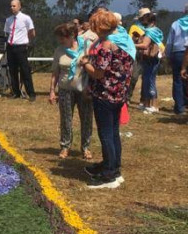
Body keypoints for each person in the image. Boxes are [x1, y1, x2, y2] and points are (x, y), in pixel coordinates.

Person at [80, 10, 133, 189]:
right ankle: (113, 166)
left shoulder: (104, 47)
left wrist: (85, 63)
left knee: (106, 134)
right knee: (113, 132)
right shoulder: (121, 43)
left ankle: (109, 174)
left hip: (105, 95)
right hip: (118, 94)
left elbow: (98, 73)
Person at [48, 23, 92, 161]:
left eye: (63, 37)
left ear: (72, 35)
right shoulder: (59, 51)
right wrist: (52, 91)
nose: (60, 41)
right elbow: (55, 72)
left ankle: (85, 147)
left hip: (84, 89)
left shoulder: (87, 47)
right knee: (66, 119)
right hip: (65, 89)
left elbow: (94, 68)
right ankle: (65, 146)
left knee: (86, 119)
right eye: (59, 38)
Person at [165, 2, 188, 115]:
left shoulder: (176, 24)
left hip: (177, 53)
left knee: (178, 81)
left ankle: (179, 108)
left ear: (184, 11)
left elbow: (170, 42)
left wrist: (168, 55)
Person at [3, 0, 36, 101]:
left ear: (19, 6)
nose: (12, 8)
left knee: (25, 70)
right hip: (11, 46)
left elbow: (32, 32)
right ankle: (15, 92)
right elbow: (8, 32)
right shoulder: (8, 20)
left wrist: (25, 40)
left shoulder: (26, 18)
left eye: (14, 6)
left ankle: (31, 93)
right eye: (11, 6)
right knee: (12, 71)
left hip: (21, 46)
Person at [133, 11, 164, 113]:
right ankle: (146, 103)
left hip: (150, 59)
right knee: (146, 79)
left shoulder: (150, 32)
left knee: (149, 80)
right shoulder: (157, 31)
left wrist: (132, 44)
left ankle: (154, 105)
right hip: (154, 58)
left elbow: (145, 45)